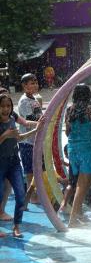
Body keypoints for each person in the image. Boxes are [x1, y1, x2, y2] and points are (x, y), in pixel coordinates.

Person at [0, 94, 38, 238]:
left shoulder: (11, 120)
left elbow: (18, 137)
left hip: (14, 162)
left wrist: (35, 130)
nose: (5, 109)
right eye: (2, 106)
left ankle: (16, 226)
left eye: (8, 106)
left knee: (21, 195)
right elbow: (8, 136)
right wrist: (5, 135)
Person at [65, 84, 91, 228]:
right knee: (82, 184)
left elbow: (68, 132)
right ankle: (73, 220)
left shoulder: (70, 110)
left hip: (73, 149)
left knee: (85, 181)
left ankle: (79, 213)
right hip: (88, 149)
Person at [18, 73, 42, 204]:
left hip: (35, 140)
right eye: (32, 83)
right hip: (27, 141)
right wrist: (42, 121)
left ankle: (37, 192)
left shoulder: (34, 99)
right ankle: (32, 197)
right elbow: (29, 119)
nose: (35, 85)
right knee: (29, 169)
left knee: (37, 167)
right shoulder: (24, 101)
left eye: (36, 82)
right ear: (24, 86)